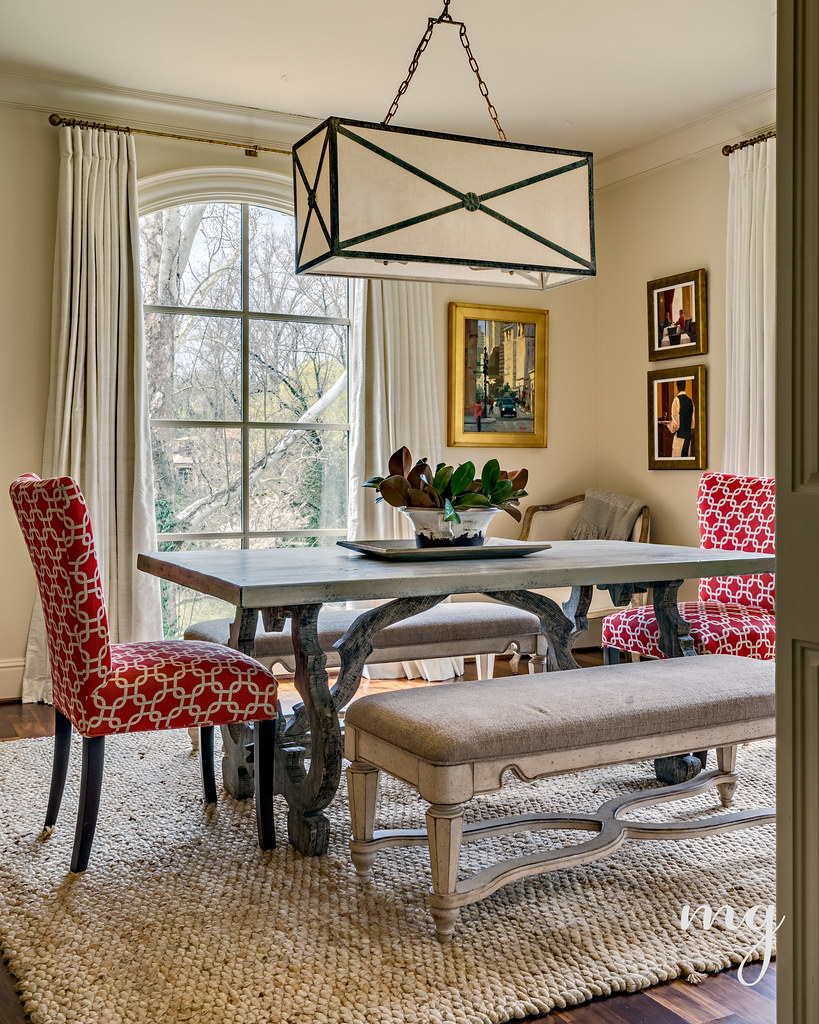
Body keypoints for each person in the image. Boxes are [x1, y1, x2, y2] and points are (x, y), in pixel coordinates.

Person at [668, 381, 695, 457]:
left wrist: (669, 426)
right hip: (688, 437)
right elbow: (693, 423)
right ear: (685, 386)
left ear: (677, 387)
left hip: (679, 438)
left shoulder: (676, 400)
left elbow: (676, 424)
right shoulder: (690, 402)